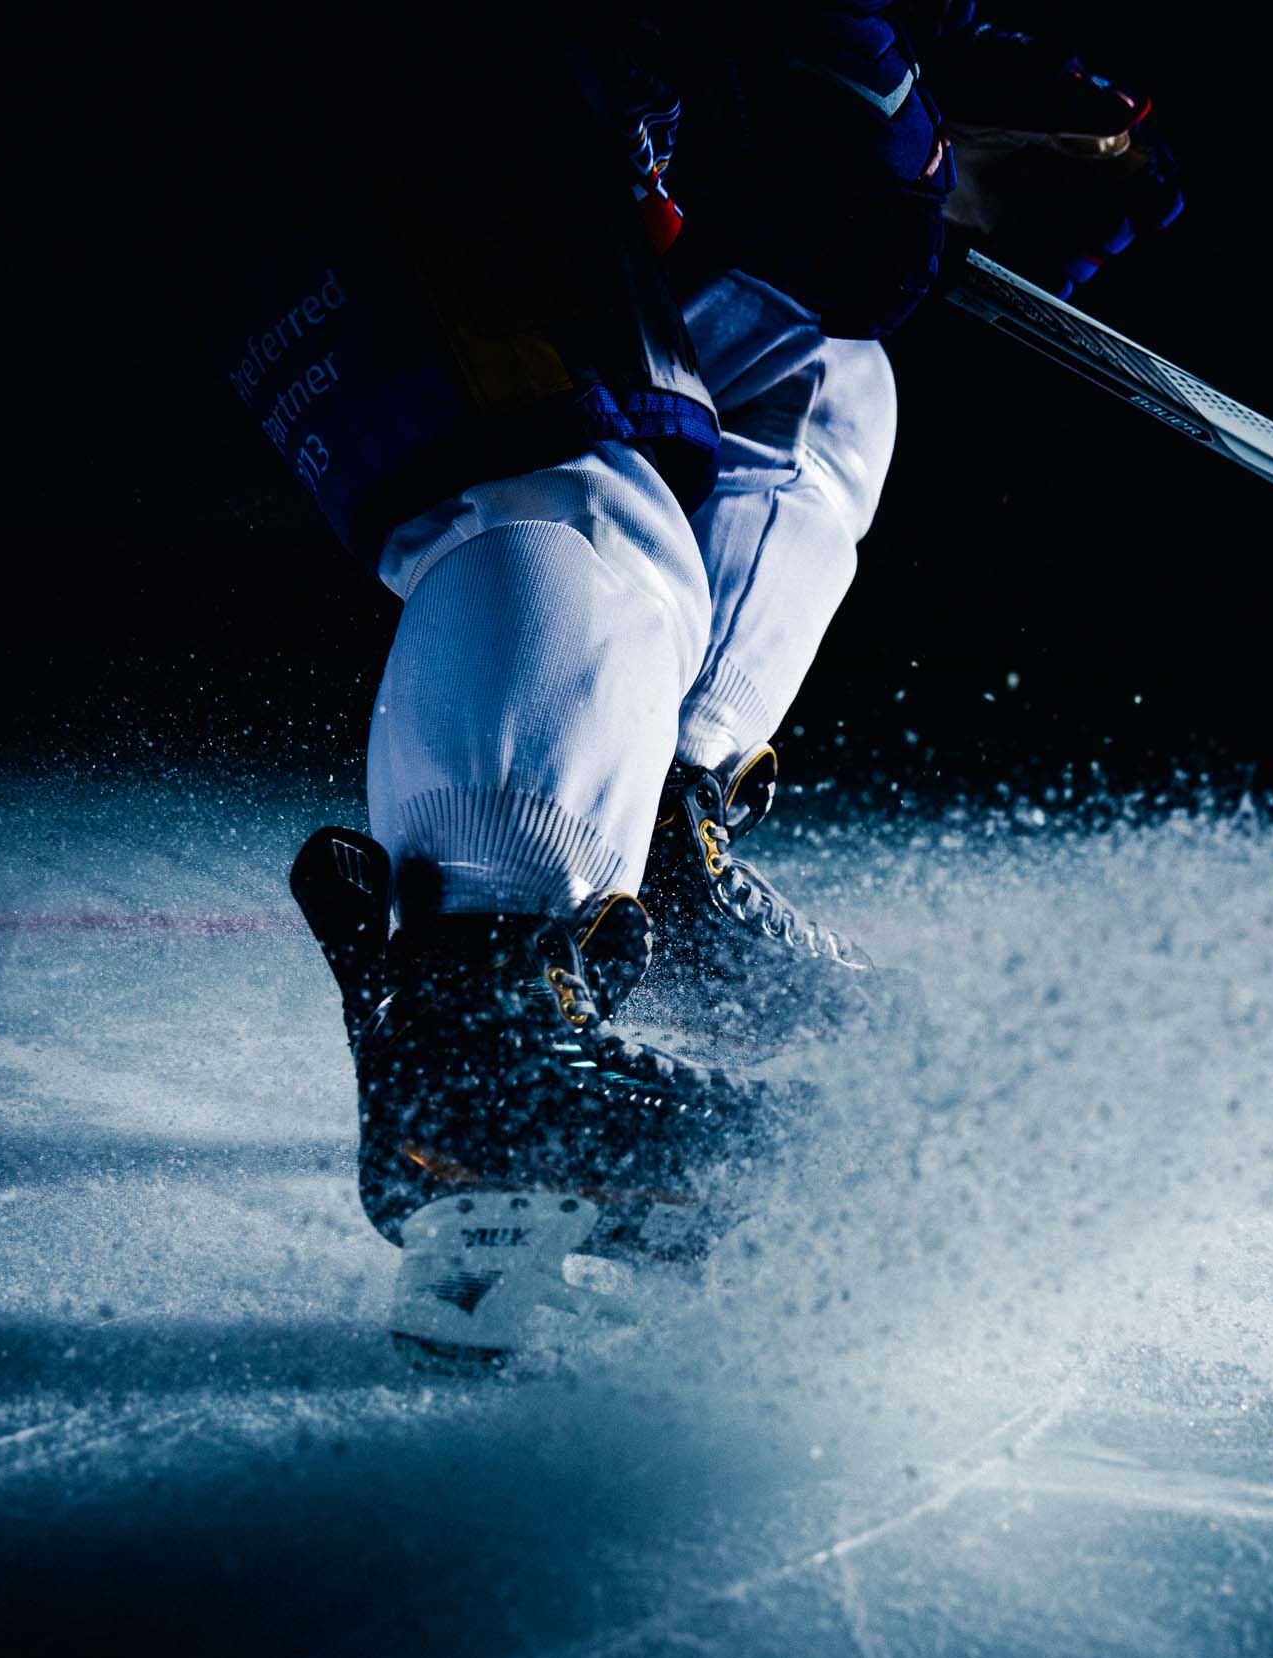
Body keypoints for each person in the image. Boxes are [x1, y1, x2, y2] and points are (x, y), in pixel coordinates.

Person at [240, 5, 1185, 1363]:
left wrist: (952, 114)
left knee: (805, 366)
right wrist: (858, 102)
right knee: (575, 490)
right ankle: (482, 1058)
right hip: (363, 73)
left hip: (551, 101)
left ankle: (646, 854)